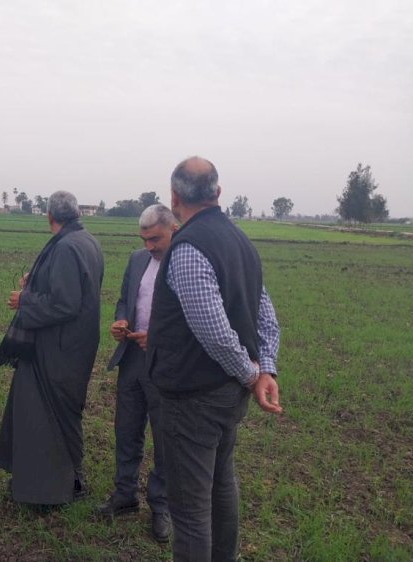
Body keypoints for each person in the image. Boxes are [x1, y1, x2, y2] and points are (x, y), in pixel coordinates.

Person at [146, 156, 282, 561]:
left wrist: (252, 375)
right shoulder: (241, 243)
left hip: (193, 398)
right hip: (226, 395)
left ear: (174, 198)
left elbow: (215, 332)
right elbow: (266, 315)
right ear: (218, 193)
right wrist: (265, 369)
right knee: (222, 483)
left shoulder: (189, 248)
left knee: (190, 510)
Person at [0, 190, 104, 506]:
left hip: (57, 349)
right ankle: (65, 480)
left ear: (49, 216)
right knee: (61, 413)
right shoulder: (86, 240)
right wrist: (36, 281)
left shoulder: (67, 246)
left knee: (46, 417)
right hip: (74, 344)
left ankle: (54, 489)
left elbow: (65, 303)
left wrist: (25, 299)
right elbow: (73, 286)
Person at [101, 204, 177, 543]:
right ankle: (124, 494)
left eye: (155, 239)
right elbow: (124, 299)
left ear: (173, 229)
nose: (149, 246)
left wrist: (159, 339)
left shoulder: (185, 262)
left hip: (166, 365)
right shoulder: (136, 259)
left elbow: (192, 317)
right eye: (144, 239)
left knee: (164, 438)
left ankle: (161, 506)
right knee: (126, 429)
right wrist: (121, 321)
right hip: (132, 358)